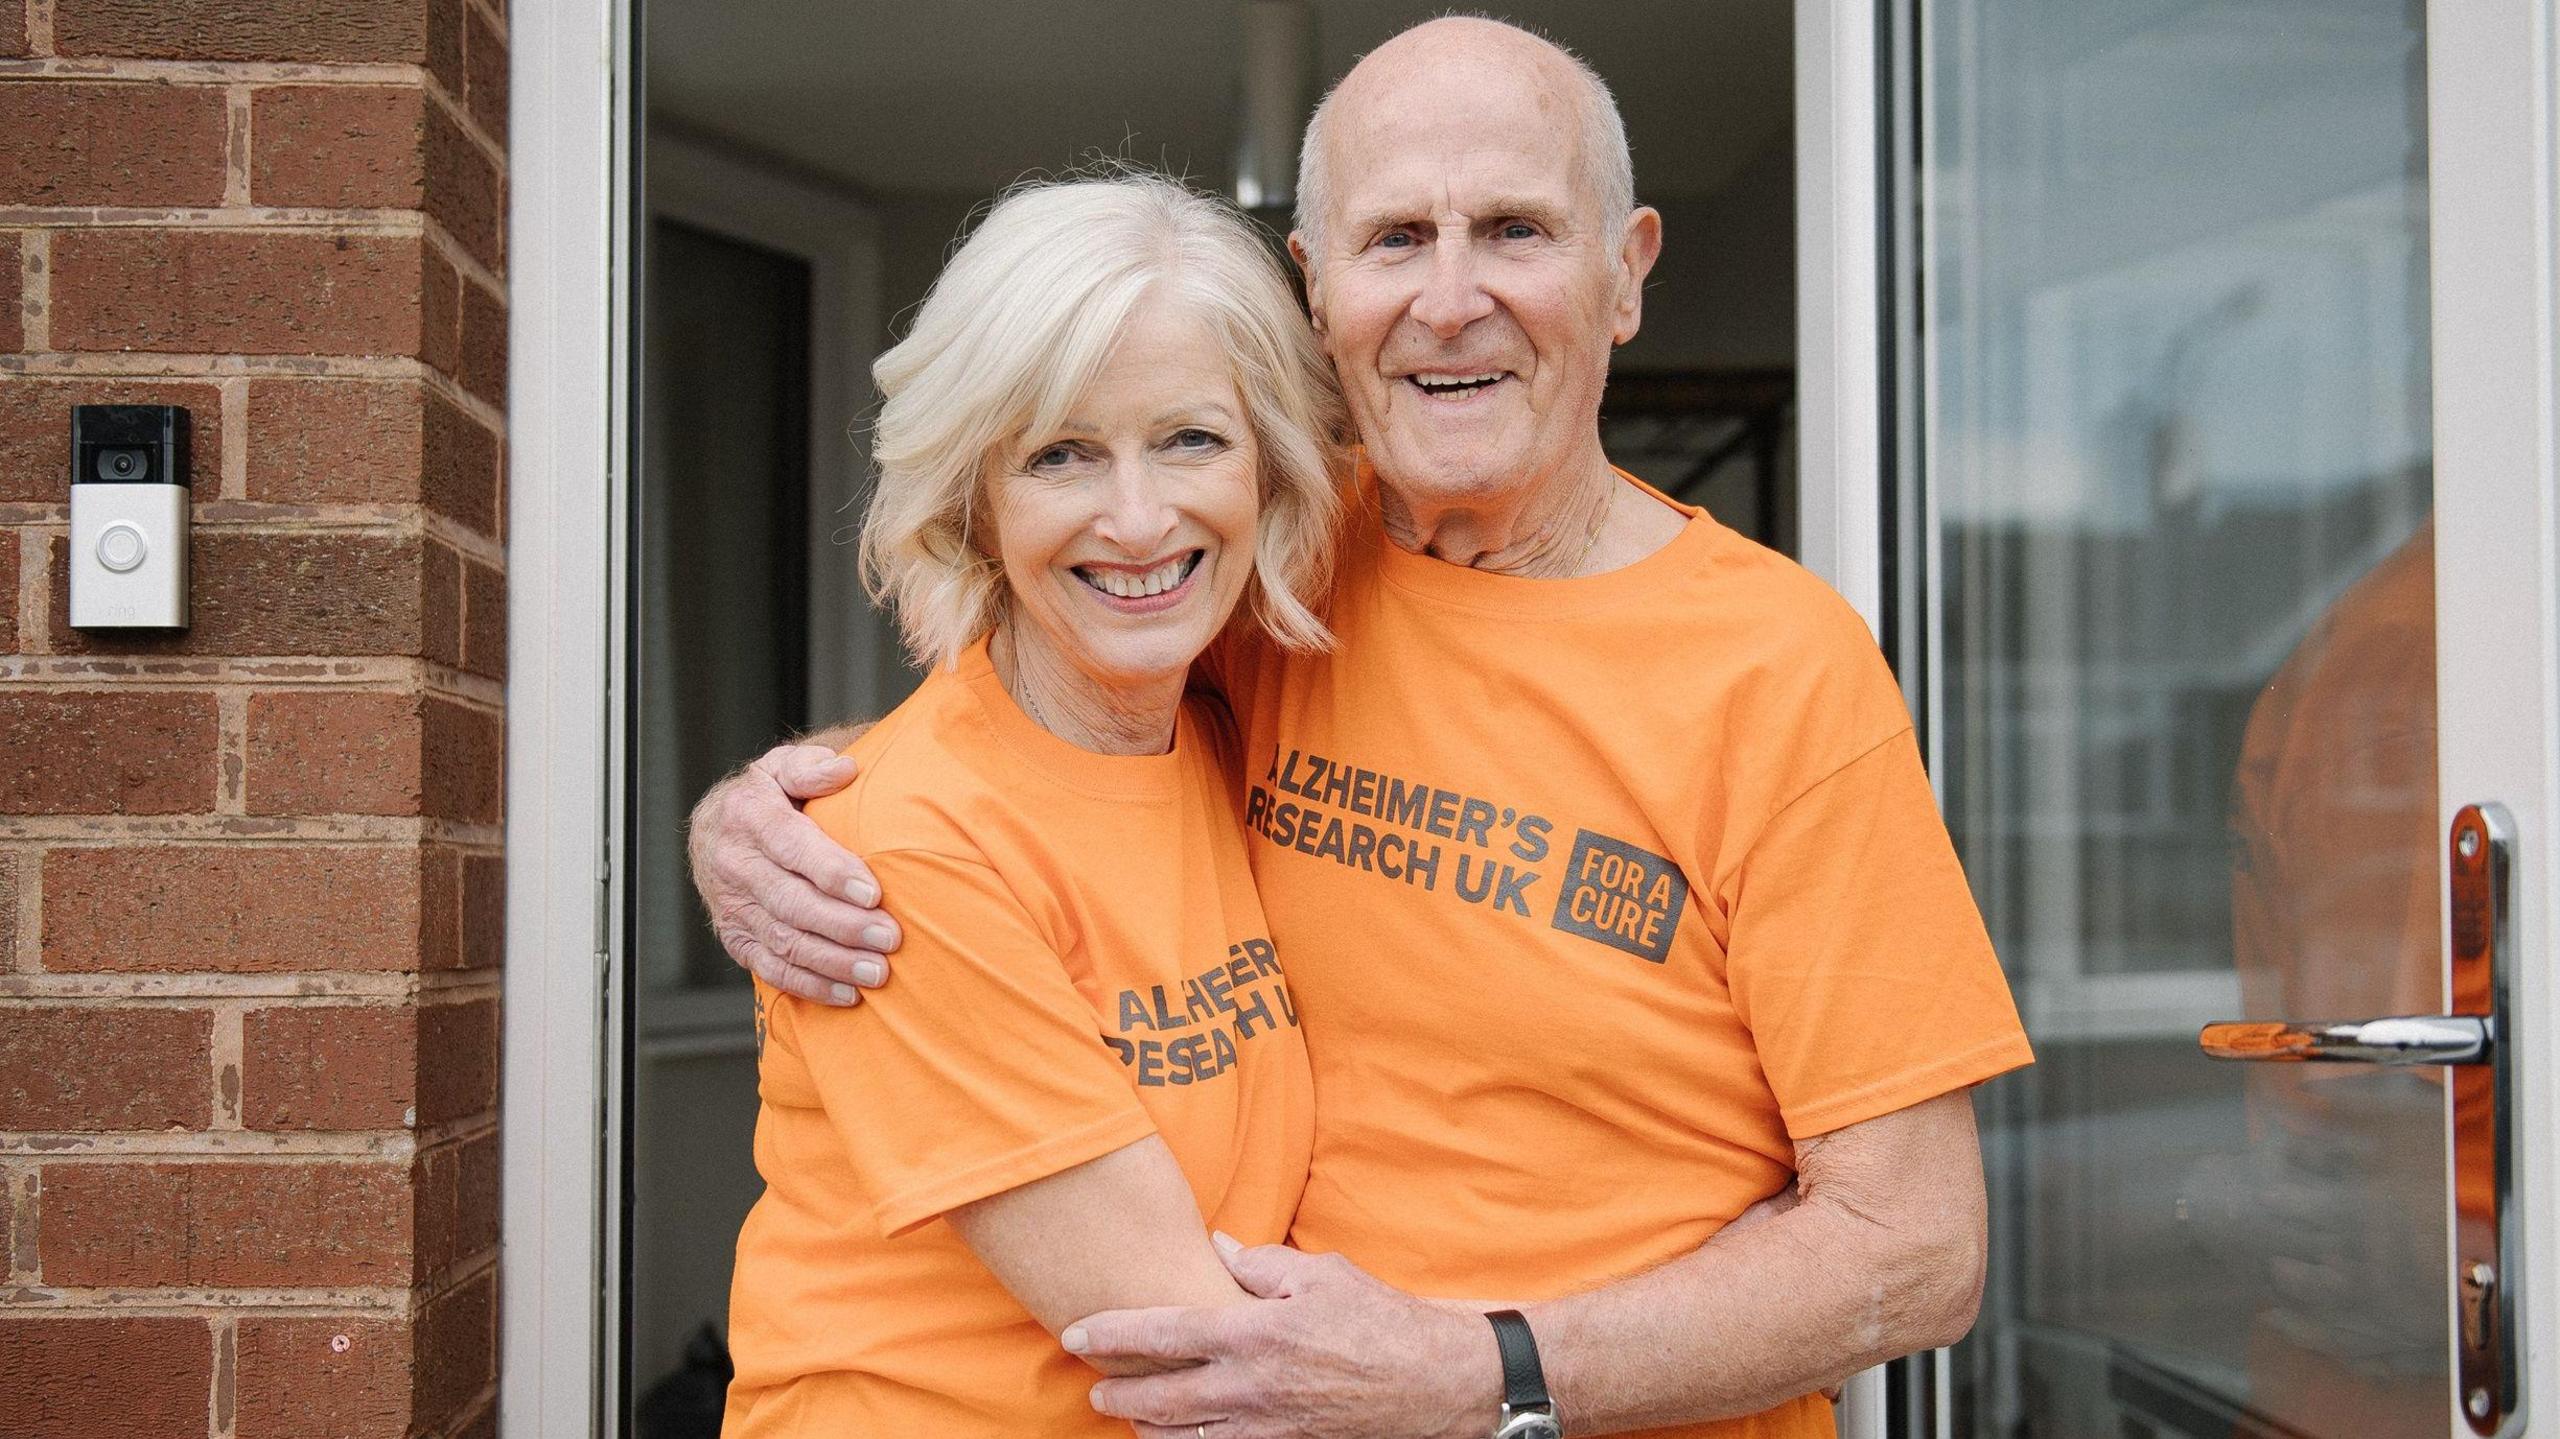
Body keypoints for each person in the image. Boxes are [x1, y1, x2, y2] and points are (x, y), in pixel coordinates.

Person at [695, 19, 2035, 1437]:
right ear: (1317, 286)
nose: (1451, 300)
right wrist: (775, 819)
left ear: (1627, 273)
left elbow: (1917, 1247)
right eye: (1397, 239)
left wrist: (1491, 1369)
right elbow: (1024, 732)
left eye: (1513, 229)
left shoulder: (1780, 667)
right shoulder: (1260, 561)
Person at [718, 174, 1345, 1436]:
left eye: (1191, 439)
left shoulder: (1224, 738)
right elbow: (1194, 1356)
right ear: (974, 502)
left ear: (1267, 470)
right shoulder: (898, 848)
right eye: (1062, 453)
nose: (1136, 517)